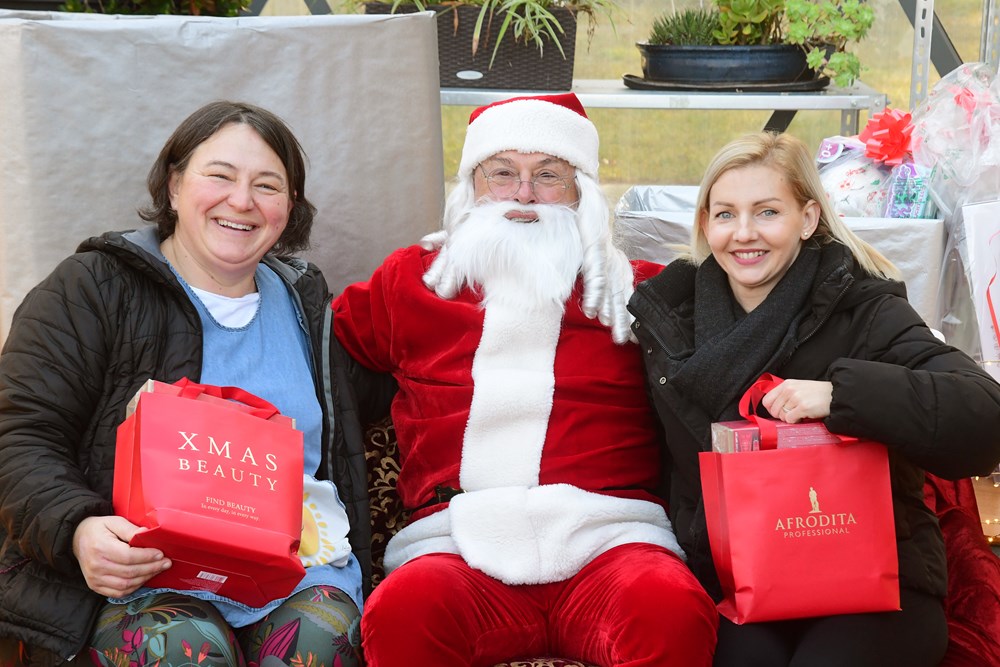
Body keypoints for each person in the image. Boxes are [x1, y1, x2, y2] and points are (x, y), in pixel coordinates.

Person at [332, 93, 718, 667]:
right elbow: (315, 348)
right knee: (405, 611)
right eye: (502, 173)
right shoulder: (413, 282)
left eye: (549, 175)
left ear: (582, 190)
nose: (524, 194)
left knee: (669, 607)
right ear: (472, 185)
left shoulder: (640, 294)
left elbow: (745, 331)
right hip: (456, 548)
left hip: (611, 546)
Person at [0, 101, 387, 667]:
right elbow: (21, 431)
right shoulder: (92, 287)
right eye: (220, 176)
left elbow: (390, 385)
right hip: (141, 574)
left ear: (289, 207)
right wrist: (78, 529)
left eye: (267, 185)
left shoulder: (309, 306)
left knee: (318, 643)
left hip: (294, 570)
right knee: (185, 649)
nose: (242, 201)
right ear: (175, 185)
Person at [626, 131, 1000, 667]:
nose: (744, 233)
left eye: (767, 212)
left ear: (807, 219)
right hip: (737, 583)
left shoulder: (865, 310)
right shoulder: (670, 322)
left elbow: (985, 417)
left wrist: (842, 394)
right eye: (726, 214)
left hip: (871, 583)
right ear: (706, 224)